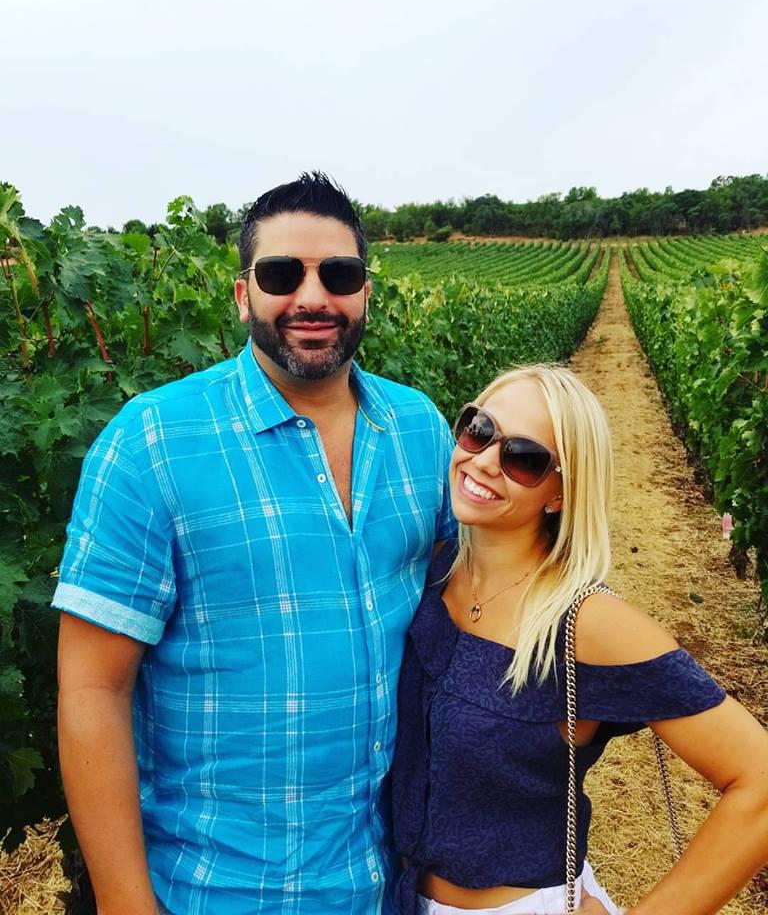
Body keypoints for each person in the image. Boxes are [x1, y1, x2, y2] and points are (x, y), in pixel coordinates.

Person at [53, 172, 455, 915]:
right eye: (281, 275)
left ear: (367, 292)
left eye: (340, 275)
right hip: (216, 889)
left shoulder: (420, 429)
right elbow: (92, 690)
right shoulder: (150, 443)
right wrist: (124, 903)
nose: (313, 298)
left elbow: (460, 594)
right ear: (243, 295)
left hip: (386, 880)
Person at [391, 365, 768, 915]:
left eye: (524, 458)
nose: (485, 460)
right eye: (479, 429)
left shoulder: (586, 623)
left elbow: (759, 781)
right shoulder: (429, 574)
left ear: (560, 493)